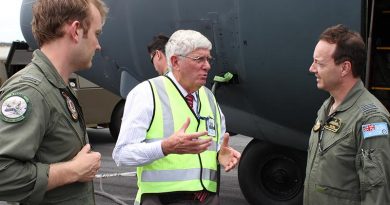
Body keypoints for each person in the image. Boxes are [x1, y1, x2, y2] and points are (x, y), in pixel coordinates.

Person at [113, 29, 241, 205]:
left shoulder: (209, 98)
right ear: (175, 61)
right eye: (199, 59)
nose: (207, 66)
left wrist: (220, 154)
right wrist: (165, 147)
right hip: (161, 199)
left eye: (208, 59)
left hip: (208, 199)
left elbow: (216, 143)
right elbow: (122, 154)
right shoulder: (147, 93)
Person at [0, 0, 108, 204]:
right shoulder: (32, 91)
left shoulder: (58, 88)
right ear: (76, 31)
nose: (98, 45)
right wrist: (72, 171)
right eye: (96, 33)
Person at [304, 24, 390, 204]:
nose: (312, 68)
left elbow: (377, 193)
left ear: (344, 68)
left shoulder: (371, 120)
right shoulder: (327, 106)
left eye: (319, 63)